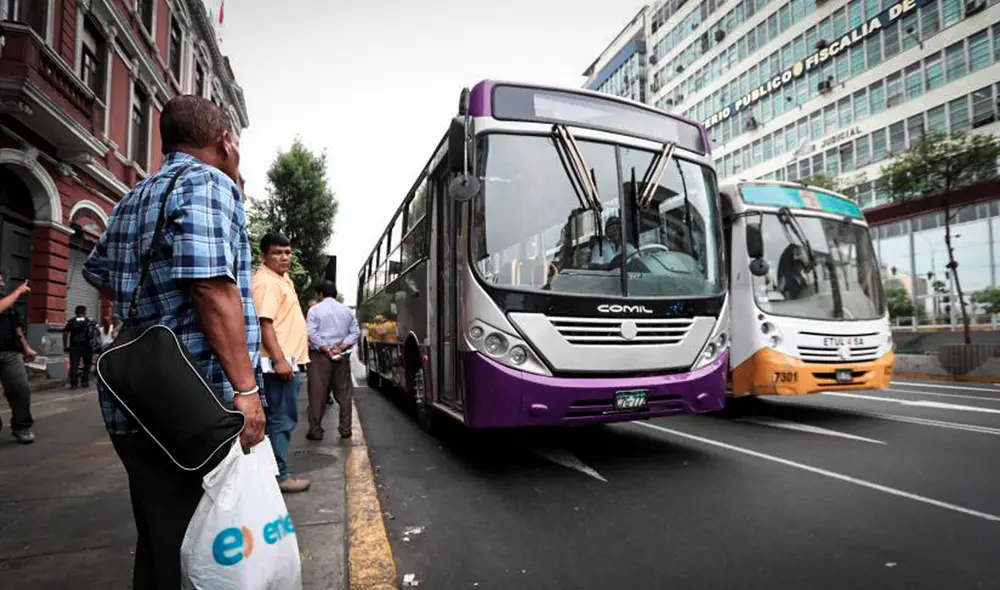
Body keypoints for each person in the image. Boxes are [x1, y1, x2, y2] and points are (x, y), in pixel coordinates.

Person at [83, 94, 266, 589]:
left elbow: (97, 271)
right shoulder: (208, 183)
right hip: (195, 404)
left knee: (161, 538)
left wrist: (149, 308)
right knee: (206, 545)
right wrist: (247, 392)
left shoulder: (132, 198)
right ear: (224, 140)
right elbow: (211, 288)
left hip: (133, 401)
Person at [251, 233, 311, 494]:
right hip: (279, 365)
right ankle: (280, 475)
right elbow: (265, 323)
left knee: (279, 419)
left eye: (287, 252)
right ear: (263, 256)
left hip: (287, 362)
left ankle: (272, 473)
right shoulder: (266, 282)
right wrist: (279, 360)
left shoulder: (281, 279)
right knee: (281, 420)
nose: (284, 257)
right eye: (277, 252)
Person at [306, 281, 359, 440]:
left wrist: (326, 348)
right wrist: (340, 347)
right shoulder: (347, 311)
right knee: (344, 394)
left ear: (320, 294)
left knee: (317, 393)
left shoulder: (314, 310)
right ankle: (345, 429)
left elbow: (311, 333)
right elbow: (355, 332)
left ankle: (315, 431)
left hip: (320, 357)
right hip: (341, 356)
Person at [0, 275, 37, 444]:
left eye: (2, 280)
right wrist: (19, 291)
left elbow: (16, 327)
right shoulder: (8, 300)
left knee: (20, 388)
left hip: (10, 352)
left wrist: (26, 347)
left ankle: (22, 426)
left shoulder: (8, 301)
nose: (2, 283)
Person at [63, 305, 97, 389]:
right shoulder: (89, 321)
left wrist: (65, 345)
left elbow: (65, 333)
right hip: (87, 346)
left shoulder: (72, 321)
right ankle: (84, 381)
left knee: (74, 364)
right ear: (85, 312)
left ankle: (74, 383)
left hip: (75, 346)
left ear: (76, 312)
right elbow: (94, 333)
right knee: (87, 364)